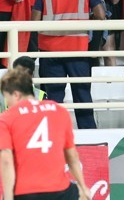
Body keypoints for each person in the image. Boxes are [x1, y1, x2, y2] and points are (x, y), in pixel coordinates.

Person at [32, 0, 106, 129]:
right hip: (78, 49)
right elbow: (101, 15)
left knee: (53, 99)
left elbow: (33, 20)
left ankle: (52, 137)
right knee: (82, 96)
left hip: (50, 52)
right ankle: (90, 138)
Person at [0, 68, 91, 199]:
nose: (7, 103)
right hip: (59, 191)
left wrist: (8, 197)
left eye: (7, 98)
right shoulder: (60, 111)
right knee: (82, 194)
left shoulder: (6, 118)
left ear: (16, 94)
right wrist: (83, 187)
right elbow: (72, 157)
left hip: (25, 192)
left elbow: (7, 161)